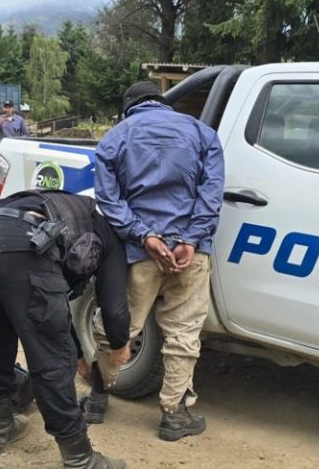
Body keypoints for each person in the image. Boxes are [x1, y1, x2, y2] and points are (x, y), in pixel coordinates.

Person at [0, 188, 130, 468]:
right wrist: (120, 344)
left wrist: (79, 357)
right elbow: (114, 307)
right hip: (21, 244)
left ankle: (0, 428)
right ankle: (80, 458)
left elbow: (56, 308)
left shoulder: (75, 207)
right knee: (51, 358)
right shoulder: (109, 233)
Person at [90, 80, 225, 441]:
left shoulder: (117, 136)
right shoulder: (203, 133)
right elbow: (212, 194)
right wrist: (191, 239)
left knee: (118, 329)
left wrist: (144, 236)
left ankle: (98, 397)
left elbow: (108, 198)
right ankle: (173, 415)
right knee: (183, 332)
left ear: (129, 107)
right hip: (190, 256)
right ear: (162, 103)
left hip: (139, 255)